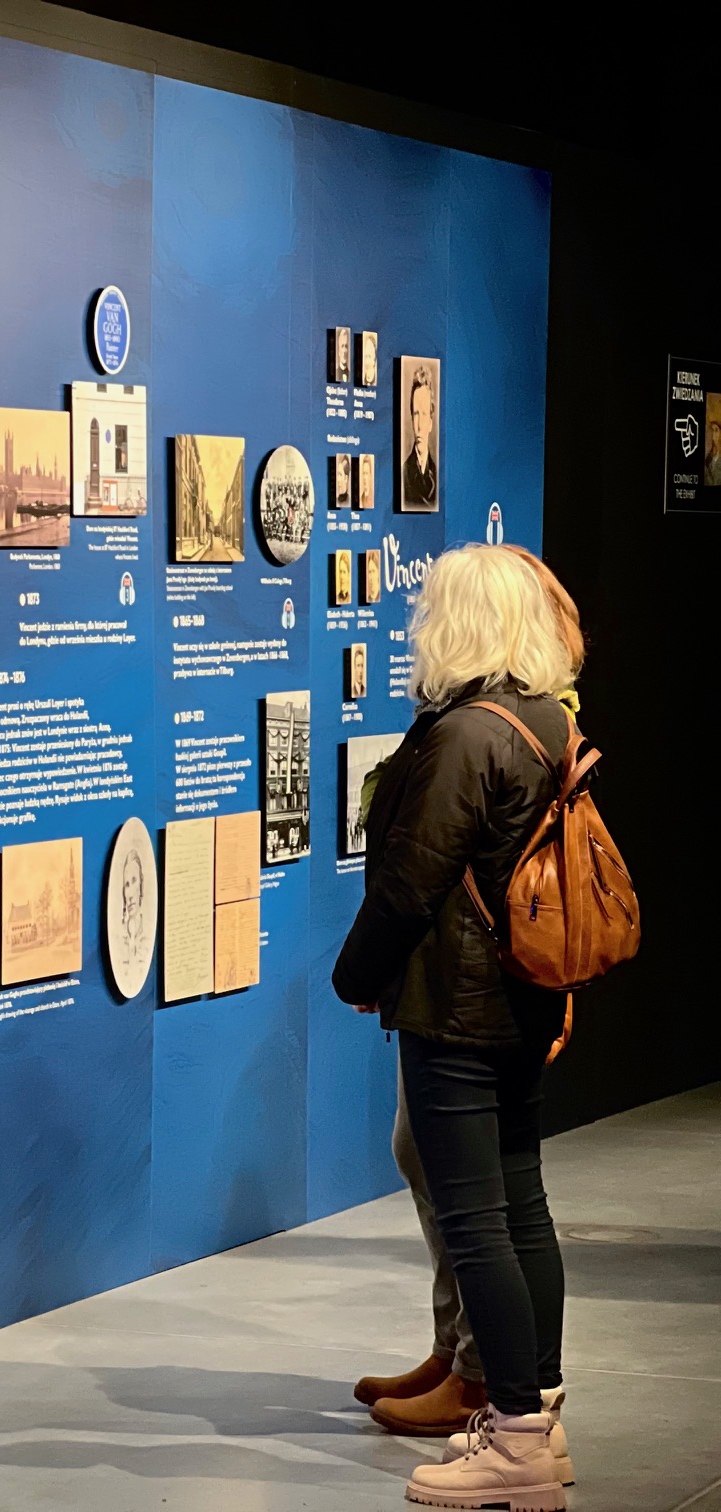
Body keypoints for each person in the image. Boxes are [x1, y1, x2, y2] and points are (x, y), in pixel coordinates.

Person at [333, 543, 580, 1509]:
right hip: (523, 999)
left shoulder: (466, 736)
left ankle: (514, 1439)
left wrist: (357, 977)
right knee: (522, 1208)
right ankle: (537, 1414)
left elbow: (410, 883)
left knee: (477, 1225)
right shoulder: (548, 722)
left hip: (458, 1008)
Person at [403, 362, 440, 508]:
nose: (419, 426)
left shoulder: (438, 474)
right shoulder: (404, 474)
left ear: (430, 422)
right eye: (416, 414)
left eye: (424, 414)